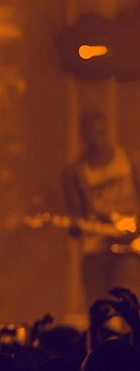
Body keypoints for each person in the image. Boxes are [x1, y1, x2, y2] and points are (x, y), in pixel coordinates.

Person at [63, 111, 140, 305]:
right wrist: (74, 225)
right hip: (95, 249)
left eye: (101, 132)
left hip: (130, 247)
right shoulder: (75, 173)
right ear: (84, 136)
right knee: (99, 308)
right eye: (92, 134)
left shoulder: (130, 161)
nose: (97, 139)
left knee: (127, 301)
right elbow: (76, 215)